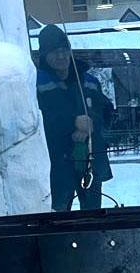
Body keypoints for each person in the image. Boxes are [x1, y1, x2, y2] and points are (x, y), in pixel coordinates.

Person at [35, 24, 115, 211]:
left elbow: (107, 111)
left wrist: (91, 124)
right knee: (59, 215)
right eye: (55, 52)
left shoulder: (89, 81)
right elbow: (40, 121)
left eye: (65, 50)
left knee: (93, 215)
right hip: (58, 164)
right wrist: (73, 124)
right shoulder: (37, 84)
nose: (61, 56)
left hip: (90, 158)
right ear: (45, 55)